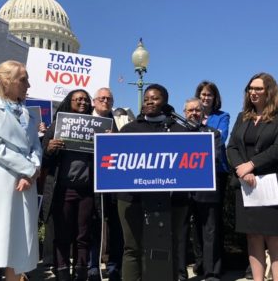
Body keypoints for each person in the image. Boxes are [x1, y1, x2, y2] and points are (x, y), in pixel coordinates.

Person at [117, 84, 191, 281]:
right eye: (147, 98)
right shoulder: (129, 130)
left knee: (171, 244)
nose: (149, 101)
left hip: (173, 200)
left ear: (165, 102)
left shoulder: (179, 130)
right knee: (132, 247)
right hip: (132, 198)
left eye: (155, 98)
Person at [0, 60, 42, 280]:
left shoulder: (29, 114)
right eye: (23, 80)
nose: (28, 85)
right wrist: (27, 169)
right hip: (0, 180)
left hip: (26, 182)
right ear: (7, 81)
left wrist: (32, 171)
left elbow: (35, 146)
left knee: (20, 242)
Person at [226, 72, 278, 281]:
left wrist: (251, 165)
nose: (253, 92)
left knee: (275, 238)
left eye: (258, 89)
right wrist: (241, 169)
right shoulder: (242, 116)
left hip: (272, 183)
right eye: (250, 89)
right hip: (246, 185)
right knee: (253, 236)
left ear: (269, 91)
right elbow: (232, 147)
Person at [41, 89, 95, 281]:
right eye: (78, 99)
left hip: (87, 190)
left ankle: (80, 274)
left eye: (86, 99)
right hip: (62, 190)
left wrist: (107, 140)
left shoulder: (96, 127)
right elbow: (43, 159)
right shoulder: (56, 126)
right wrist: (49, 149)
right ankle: (62, 274)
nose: (83, 102)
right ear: (69, 102)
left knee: (83, 236)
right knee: (62, 236)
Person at [180, 97, 228, 281]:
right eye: (190, 110)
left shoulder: (213, 134)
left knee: (210, 232)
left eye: (197, 110)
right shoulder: (175, 133)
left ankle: (212, 273)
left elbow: (214, 157)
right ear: (184, 113)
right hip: (182, 190)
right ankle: (180, 273)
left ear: (203, 114)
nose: (194, 113)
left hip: (207, 188)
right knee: (181, 232)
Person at [87, 88, 122, 281]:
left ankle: (113, 266)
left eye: (109, 98)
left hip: (114, 184)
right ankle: (93, 267)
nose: (106, 101)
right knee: (94, 226)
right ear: (94, 101)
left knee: (116, 226)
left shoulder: (118, 121)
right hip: (90, 182)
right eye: (102, 98)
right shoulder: (84, 120)